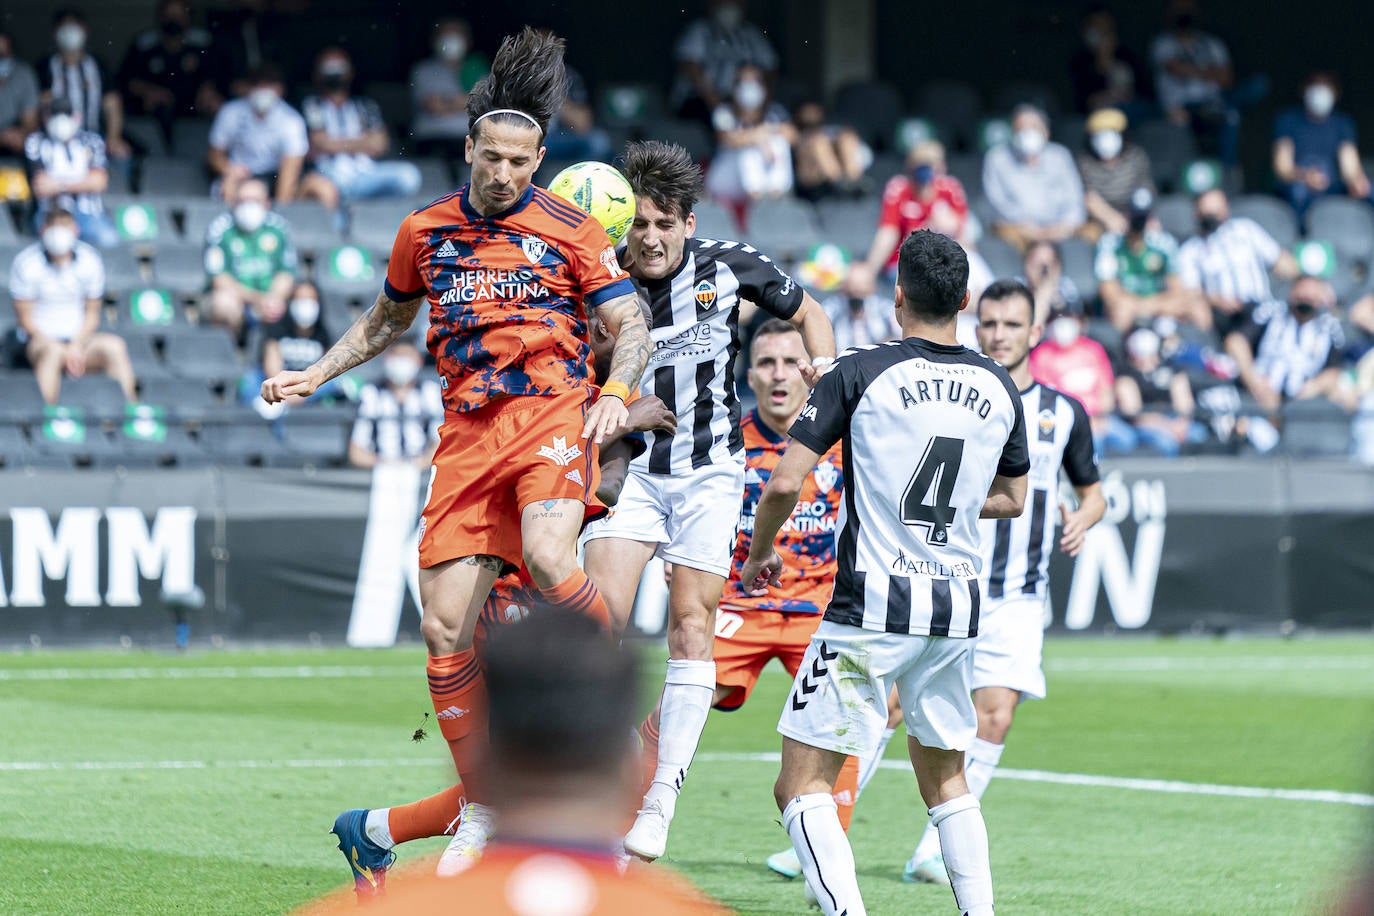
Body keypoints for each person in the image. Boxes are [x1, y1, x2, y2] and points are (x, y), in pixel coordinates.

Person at [262, 27, 650, 879]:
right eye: (492, 156)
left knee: (552, 553)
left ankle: (607, 702)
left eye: (521, 159)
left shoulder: (575, 230)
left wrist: (615, 393)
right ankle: (479, 803)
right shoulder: (425, 229)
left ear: (540, 157)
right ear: (468, 147)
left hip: (549, 414)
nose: (505, 172)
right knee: (443, 626)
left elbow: (629, 323)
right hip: (467, 437)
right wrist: (314, 374)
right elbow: (385, 321)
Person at [328, 302, 674, 898]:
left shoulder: (605, 401)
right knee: (548, 768)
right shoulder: (526, 385)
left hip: (558, 596)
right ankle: (568, 863)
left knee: (547, 767)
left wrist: (612, 425)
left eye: (613, 329)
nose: (599, 334)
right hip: (498, 584)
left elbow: (609, 488)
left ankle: (373, 831)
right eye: (593, 322)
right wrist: (610, 424)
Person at [741, 229, 1029, 916]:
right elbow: (1013, 499)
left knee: (799, 785)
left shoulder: (859, 371)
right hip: (956, 611)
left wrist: (757, 552)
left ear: (897, 295)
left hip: (870, 606)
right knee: (947, 781)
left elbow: (783, 483)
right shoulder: (1000, 384)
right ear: (964, 299)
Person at [579, 139, 834, 864]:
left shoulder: (729, 268)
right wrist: (623, 416)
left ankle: (660, 799)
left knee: (694, 627)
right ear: (621, 226)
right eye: (639, 225)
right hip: (628, 472)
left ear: (688, 224)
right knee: (598, 626)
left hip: (708, 475)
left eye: (665, 224)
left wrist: (823, 372)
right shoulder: (597, 285)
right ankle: (609, 775)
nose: (650, 238)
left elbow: (810, 309)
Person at [314, 611, 729, 915]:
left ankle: (375, 828)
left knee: (549, 742)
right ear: (626, 776)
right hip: (535, 583)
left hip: (548, 592)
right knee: (570, 738)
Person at [903, 278, 1105, 884]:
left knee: (993, 717)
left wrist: (1084, 518)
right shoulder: (951, 396)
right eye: (989, 323)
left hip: (1016, 593)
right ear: (973, 323)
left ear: (1034, 333)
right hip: (938, 576)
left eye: (1011, 325)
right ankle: (822, 825)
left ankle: (931, 852)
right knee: (885, 708)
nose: (998, 334)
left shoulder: (1064, 414)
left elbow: (1092, 492)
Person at [9, 208, 136, 404]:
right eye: (54, 226)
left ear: (75, 229)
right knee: (51, 354)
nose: (59, 232)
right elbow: (25, 319)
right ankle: (47, 418)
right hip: (41, 342)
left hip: (80, 342)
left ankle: (129, 413)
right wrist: (59, 347)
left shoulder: (90, 260)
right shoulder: (27, 263)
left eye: (64, 225)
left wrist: (75, 346)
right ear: (43, 230)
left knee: (115, 347)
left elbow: (92, 314)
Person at [300, 48, 422, 210]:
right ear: (317, 74)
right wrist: (363, 142)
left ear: (350, 72)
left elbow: (379, 144)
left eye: (339, 66)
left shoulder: (365, 106)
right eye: (328, 66)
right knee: (328, 186)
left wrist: (333, 144)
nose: (334, 71)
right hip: (330, 174)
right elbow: (319, 143)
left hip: (366, 174)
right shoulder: (311, 105)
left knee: (409, 175)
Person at [847, 140, 968, 300]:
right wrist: (870, 270)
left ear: (941, 166)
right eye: (920, 165)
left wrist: (943, 222)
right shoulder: (899, 187)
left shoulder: (950, 188)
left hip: (942, 266)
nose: (926, 171)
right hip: (902, 265)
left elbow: (962, 232)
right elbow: (888, 232)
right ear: (909, 166)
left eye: (932, 164)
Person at [1175, 188, 1299, 336]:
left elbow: (1280, 260)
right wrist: (1215, 300)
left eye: (1216, 211)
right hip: (1226, 316)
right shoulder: (1191, 250)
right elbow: (1191, 292)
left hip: (1262, 308)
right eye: (1207, 213)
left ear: (1225, 210)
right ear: (1197, 214)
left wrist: (1302, 281)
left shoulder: (1245, 230)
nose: (1213, 218)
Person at [1224, 275, 1354, 413]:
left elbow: (1334, 370)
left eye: (1313, 291)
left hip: (1303, 403)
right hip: (1258, 394)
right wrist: (1254, 381)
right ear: (1292, 291)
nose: (1306, 295)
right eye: (1302, 289)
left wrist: (1312, 388)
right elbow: (1235, 341)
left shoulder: (1330, 327)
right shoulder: (1270, 313)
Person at [1095, 188, 1206, 332]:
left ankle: (1204, 351)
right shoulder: (1110, 243)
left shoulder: (1164, 243)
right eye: (1135, 218)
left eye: (1142, 219)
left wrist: (1147, 306)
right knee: (1121, 310)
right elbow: (1109, 293)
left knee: (1198, 308)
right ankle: (1120, 352)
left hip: (1158, 304)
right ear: (1125, 216)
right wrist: (1146, 306)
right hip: (1129, 305)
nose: (1138, 225)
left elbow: (1177, 288)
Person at [117, 0, 223, 143]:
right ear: (160, 17)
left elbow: (218, 74)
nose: (174, 19)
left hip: (194, 109)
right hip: (156, 111)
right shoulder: (144, 44)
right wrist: (147, 90)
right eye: (169, 14)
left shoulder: (203, 43)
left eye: (179, 14)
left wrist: (208, 89)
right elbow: (126, 79)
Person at [983, 104, 1086, 251]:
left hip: (1060, 229)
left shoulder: (1060, 156)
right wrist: (1026, 227)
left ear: (1046, 132)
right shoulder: (997, 158)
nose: (1027, 132)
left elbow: (1075, 200)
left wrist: (1064, 226)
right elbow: (995, 202)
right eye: (1021, 128)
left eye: (1034, 127)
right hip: (1018, 230)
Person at [1150, 0, 1241, 164]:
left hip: (1211, 105)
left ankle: (1229, 174)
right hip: (1177, 108)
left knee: (1232, 115)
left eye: (1188, 7)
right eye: (1179, 7)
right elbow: (1175, 68)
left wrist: (1191, 70)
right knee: (1176, 126)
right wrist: (1210, 71)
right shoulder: (1163, 43)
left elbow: (1227, 78)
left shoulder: (1212, 43)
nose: (1184, 12)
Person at [1272, 72, 1372, 220]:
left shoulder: (1342, 123)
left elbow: (1349, 166)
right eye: (1315, 86)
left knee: (1368, 190)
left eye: (1326, 87)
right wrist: (1305, 176)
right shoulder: (1288, 120)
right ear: (1304, 90)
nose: (1320, 92)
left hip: (1331, 187)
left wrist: (1356, 181)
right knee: (1299, 191)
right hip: (1297, 187)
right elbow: (1282, 168)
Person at [1030, 304, 1130, 452]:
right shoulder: (1041, 354)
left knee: (1127, 439)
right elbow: (1045, 398)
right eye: (1058, 319)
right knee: (1093, 443)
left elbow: (1105, 389)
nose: (1063, 324)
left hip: (1099, 418)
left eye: (1069, 318)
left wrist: (1101, 418)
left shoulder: (1093, 349)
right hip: (1063, 421)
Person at [204, 178, 297, 335]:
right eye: (243, 201)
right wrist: (258, 300)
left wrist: (272, 299)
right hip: (236, 299)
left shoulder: (279, 229)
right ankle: (231, 353)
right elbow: (219, 279)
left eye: (254, 201)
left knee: (300, 300)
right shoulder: (219, 230)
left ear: (267, 203)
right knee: (223, 303)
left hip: (270, 300)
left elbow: (286, 273)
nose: (248, 206)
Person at [37, 9, 131, 163]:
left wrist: (113, 137)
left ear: (85, 30)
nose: (70, 31)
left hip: (95, 139)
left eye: (74, 26)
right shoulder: (45, 67)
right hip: (55, 140)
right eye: (64, 26)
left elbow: (112, 103)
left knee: (123, 155)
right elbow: (42, 105)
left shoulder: (99, 65)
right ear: (54, 33)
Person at [25, 97, 119, 248]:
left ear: (77, 117)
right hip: (51, 214)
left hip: (89, 213)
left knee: (108, 239)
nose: (61, 120)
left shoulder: (92, 141)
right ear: (45, 117)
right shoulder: (36, 141)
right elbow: (41, 187)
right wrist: (83, 181)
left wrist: (59, 185)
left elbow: (99, 182)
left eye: (66, 114)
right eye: (55, 115)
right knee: (55, 241)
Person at [207, 63, 308, 204]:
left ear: (280, 89)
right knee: (230, 182)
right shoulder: (230, 112)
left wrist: (281, 208)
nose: (263, 90)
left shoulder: (291, 120)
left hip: (274, 177)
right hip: (239, 174)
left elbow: (290, 171)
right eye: (258, 85)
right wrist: (229, 169)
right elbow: (215, 155)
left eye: (269, 85)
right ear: (249, 88)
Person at [671, 0, 778, 124]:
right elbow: (690, 67)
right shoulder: (699, 30)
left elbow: (770, 69)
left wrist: (762, 105)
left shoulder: (752, 34)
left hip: (741, 101)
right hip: (700, 101)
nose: (729, 7)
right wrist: (716, 104)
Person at [1110, 325, 1209, 456]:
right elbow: (1134, 413)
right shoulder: (1125, 374)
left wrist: (1181, 423)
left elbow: (1185, 404)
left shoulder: (1171, 369)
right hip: (1146, 425)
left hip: (1173, 420)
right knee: (1165, 443)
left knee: (1198, 434)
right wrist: (1166, 426)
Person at [705, 64, 796, 206]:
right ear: (734, 88)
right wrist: (758, 136)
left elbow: (792, 135)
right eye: (744, 82)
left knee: (778, 141)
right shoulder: (724, 112)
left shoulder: (774, 111)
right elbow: (728, 139)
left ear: (764, 87)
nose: (749, 87)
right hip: (726, 179)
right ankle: (758, 197)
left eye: (755, 81)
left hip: (765, 177)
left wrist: (766, 132)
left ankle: (777, 195)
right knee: (749, 144)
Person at [348, 338, 444, 469]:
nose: (401, 361)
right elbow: (356, 452)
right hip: (379, 473)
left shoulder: (430, 392)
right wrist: (386, 464)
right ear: (386, 358)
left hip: (423, 472)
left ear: (419, 360)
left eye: (407, 356)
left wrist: (420, 463)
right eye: (397, 355)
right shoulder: (370, 393)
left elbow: (440, 442)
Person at [242, 280, 340, 405]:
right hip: (281, 389)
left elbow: (327, 370)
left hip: (312, 392)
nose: (306, 305)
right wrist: (286, 394)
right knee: (250, 381)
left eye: (310, 299)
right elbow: (272, 369)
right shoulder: (277, 329)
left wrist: (299, 397)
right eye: (300, 299)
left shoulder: (323, 333)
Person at [409, 18, 490, 161]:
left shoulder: (479, 68)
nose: (452, 39)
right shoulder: (423, 70)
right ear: (434, 40)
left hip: (475, 138)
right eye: (446, 34)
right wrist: (468, 100)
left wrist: (447, 101)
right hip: (434, 139)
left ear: (468, 40)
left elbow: (486, 104)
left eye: (457, 33)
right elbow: (433, 105)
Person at [1076, 107, 1154, 239]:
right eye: (1100, 135)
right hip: (1100, 220)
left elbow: (1145, 190)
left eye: (1111, 133)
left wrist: (1136, 217)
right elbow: (1089, 198)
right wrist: (1111, 219)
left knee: (1152, 231)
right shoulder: (1085, 162)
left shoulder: (1136, 156)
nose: (1106, 140)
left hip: (1134, 214)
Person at [1069, 6, 1147, 117]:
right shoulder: (1079, 61)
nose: (1102, 32)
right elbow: (1084, 101)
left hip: (1130, 114)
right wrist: (1102, 63)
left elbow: (1142, 93)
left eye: (1106, 27)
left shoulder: (1127, 56)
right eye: (1097, 26)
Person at [791, 99, 870, 201]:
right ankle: (840, 183)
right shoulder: (792, 131)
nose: (811, 114)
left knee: (847, 137)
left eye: (815, 111)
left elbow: (845, 139)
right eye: (807, 111)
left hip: (835, 177)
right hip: (810, 180)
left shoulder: (827, 130)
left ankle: (855, 180)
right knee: (819, 143)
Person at [543, 64, 612, 163]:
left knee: (598, 141)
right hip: (530, 137)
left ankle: (585, 178)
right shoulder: (520, 73)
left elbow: (583, 124)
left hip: (558, 137)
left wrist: (553, 91)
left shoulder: (565, 74)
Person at [1021, 240, 1083, 326]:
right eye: (1036, 263)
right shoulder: (1017, 288)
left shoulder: (1066, 286)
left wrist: (1055, 298)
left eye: (1049, 263)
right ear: (1026, 264)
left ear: (1058, 267)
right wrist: (1043, 293)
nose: (1043, 270)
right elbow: (1030, 327)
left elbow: (1075, 322)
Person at [0, 29, 41, 157]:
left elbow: (30, 123)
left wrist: (20, 133)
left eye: (3, 55)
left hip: (10, 151)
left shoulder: (23, 74)